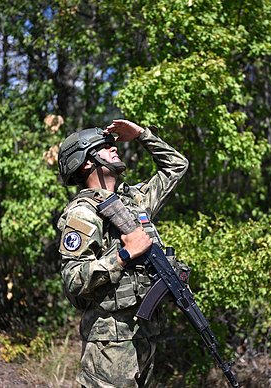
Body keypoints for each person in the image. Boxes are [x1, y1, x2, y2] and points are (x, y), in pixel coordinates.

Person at [56, 119, 189, 387]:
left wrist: (142, 134)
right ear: (86, 162)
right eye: (105, 147)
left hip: (144, 334)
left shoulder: (135, 201)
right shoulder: (82, 213)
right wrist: (123, 255)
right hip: (109, 344)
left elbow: (177, 166)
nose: (114, 149)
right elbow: (73, 279)